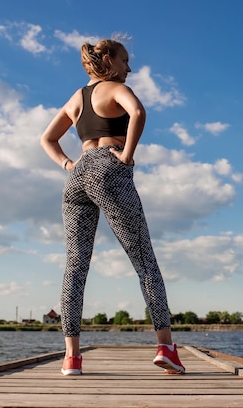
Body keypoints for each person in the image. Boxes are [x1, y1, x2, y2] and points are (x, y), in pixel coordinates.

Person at [40, 38, 185, 376]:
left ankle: (71, 358)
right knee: (145, 262)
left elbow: (47, 138)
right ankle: (166, 347)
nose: (129, 68)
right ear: (108, 58)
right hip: (109, 167)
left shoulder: (77, 98)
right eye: (126, 60)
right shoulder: (115, 88)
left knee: (74, 268)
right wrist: (128, 156)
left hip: (77, 177)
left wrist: (66, 165)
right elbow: (138, 112)